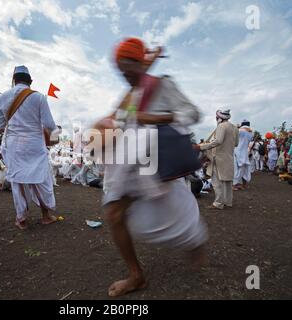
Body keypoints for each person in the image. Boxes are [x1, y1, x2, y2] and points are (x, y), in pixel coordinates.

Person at [95, 38, 208, 297]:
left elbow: (193, 114)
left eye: (128, 67)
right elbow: (122, 119)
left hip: (156, 159)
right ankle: (136, 276)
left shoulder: (162, 85)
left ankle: (194, 238)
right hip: (129, 162)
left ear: (139, 63)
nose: (125, 75)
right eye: (120, 71)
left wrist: (156, 118)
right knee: (113, 214)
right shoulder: (133, 93)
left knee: (173, 206)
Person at [0, 65, 59, 230]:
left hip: (14, 145)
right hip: (34, 144)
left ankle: (21, 219)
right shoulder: (38, 97)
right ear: (30, 81)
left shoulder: (2, 98)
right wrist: (53, 137)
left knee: (19, 181)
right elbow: (50, 124)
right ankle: (46, 216)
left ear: (14, 80)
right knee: (41, 179)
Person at [198, 109, 239, 210]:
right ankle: (228, 202)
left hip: (219, 158)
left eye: (216, 117)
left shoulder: (221, 126)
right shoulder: (234, 128)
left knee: (216, 182)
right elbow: (236, 143)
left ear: (219, 118)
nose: (216, 119)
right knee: (227, 181)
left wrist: (202, 147)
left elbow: (218, 141)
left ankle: (218, 203)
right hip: (229, 157)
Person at [233, 120, 254, 190]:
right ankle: (243, 185)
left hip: (237, 152)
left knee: (237, 169)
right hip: (245, 153)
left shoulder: (240, 131)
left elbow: (233, 133)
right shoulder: (251, 133)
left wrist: (237, 126)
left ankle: (235, 185)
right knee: (245, 169)